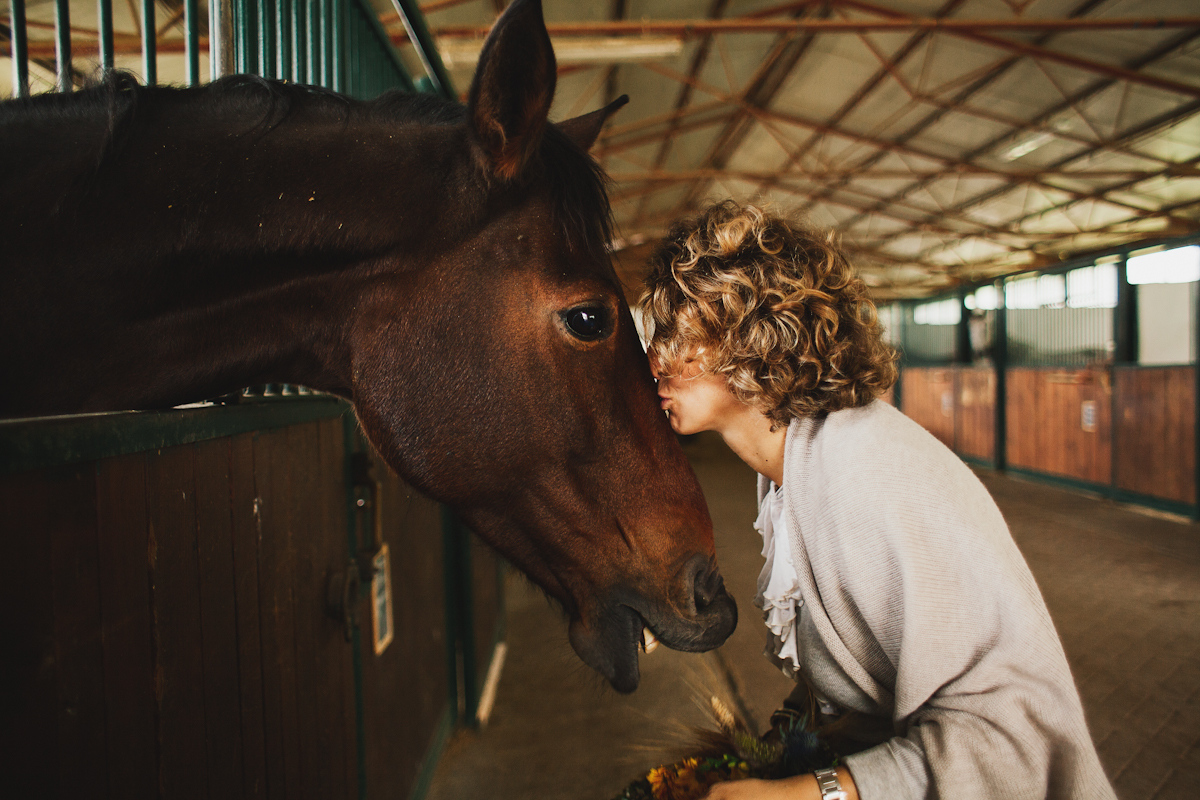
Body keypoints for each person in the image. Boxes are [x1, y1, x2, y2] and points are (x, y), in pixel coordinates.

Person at [640, 200, 1116, 800]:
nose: (655, 359)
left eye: (677, 333)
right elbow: (859, 679)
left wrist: (807, 795)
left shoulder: (862, 472)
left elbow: (1014, 739)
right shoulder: (796, 468)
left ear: (750, 339)